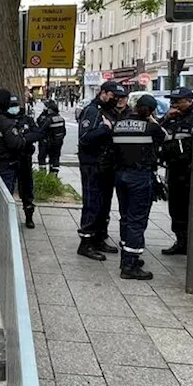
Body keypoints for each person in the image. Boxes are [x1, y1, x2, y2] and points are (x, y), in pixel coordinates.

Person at [110, 94, 165, 279]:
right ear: (150, 110)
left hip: (121, 175)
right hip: (140, 177)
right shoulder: (151, 127)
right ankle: (130, 265)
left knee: (125, 217)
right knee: (137, 220)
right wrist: (151, 119)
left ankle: (126, 254)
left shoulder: (119, 125)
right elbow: (164, 138)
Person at [0, 89, 43, 227]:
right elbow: (16, 144)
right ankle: (1, 223)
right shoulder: (6, 123)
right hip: (8, 163)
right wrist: (25, 140)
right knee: (5, 195)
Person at [75, 81, 125, 261]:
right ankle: (86, 242)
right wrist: (104, 129)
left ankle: (98, 237)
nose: (116, 100)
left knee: (104, 204)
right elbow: (85, 137)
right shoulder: (92, 110)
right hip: (92, 164)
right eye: (113, 96)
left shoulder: (110, 112)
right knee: (92, 203)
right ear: (103, 93)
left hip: (107, 165)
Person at [158, 87, 193, 255]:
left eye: (177, 101)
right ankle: (181, 241)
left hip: (192, 173)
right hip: (174, 170)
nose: (174, 104)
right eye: (172, 101)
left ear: (189, 101)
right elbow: (156, 131)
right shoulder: (172, 119)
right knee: (176, 209)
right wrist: (165, 118)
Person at [11, 95, 43, 228]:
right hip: (10, 158)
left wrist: (24, 139)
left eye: (15, 105)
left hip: (25, 158)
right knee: (7, 186)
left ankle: (29, 215)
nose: (14, 108)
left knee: (27, 187)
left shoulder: (27, 120)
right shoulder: (7, 120)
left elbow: (38, 133)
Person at [37, 99, 66, 173]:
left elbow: (42, 128)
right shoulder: (61, 118)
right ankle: (54, 175)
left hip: (49, 142)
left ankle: (42, 174)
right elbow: (64, 131)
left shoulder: (49, 119)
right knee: (55, 159)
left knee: (42, 157)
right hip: (58, 142)